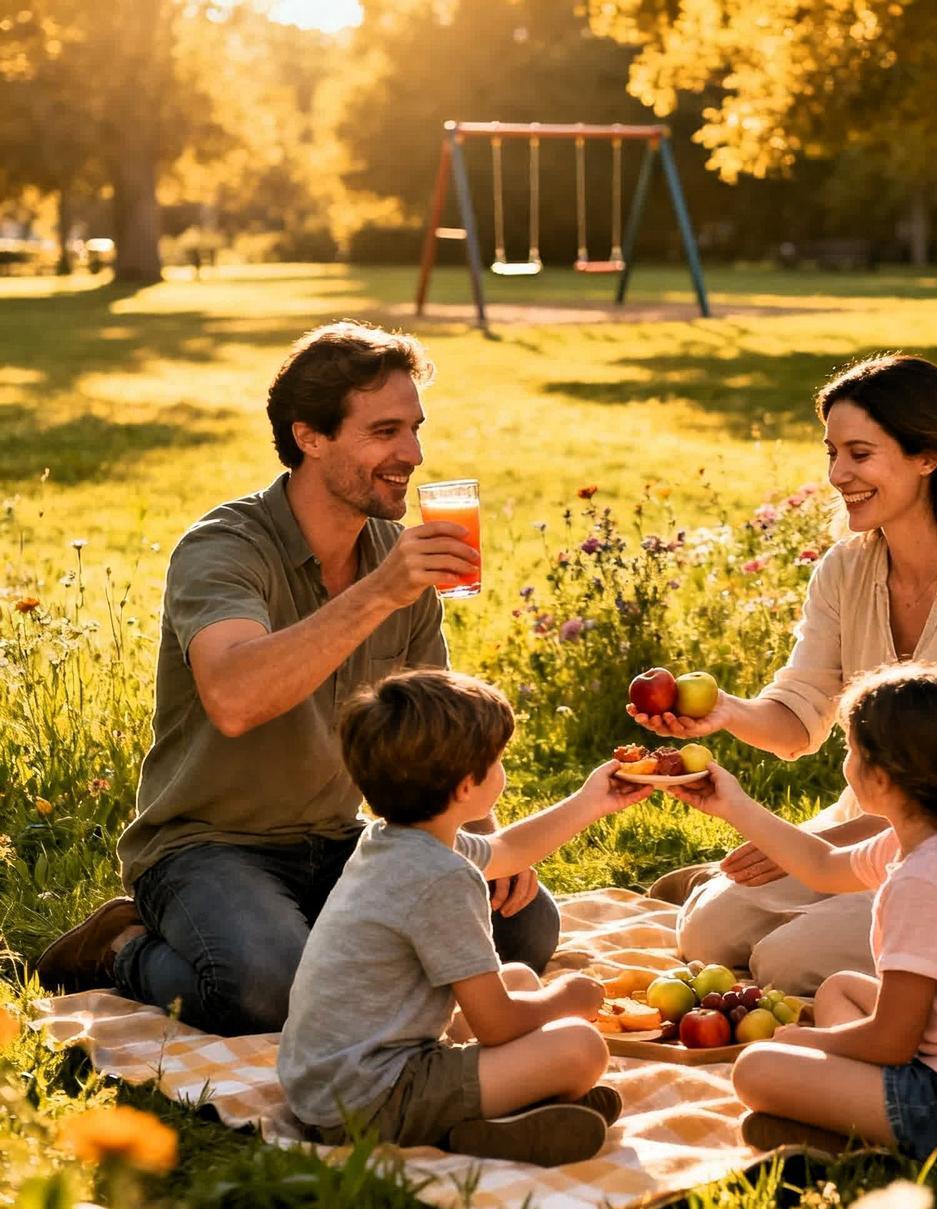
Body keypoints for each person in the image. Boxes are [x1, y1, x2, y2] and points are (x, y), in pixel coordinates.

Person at [35, 322, 560, 1033]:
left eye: (414, 428)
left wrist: (482, 848)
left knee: (520, 931)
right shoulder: (225, 548)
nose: (412, 453)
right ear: (310, 437)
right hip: (206, 846)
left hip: (341, 838)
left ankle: (329, 949)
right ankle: (121, 948)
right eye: (385, 432)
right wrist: (379, 591)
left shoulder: (398, 558)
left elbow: (442, 736)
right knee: (269, 990)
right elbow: (234, 698)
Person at [637, 354, 937, 994]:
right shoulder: (846, 569)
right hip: (872, 814)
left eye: (859, 454)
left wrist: (805, 849)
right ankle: (734, 890)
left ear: (927, 455)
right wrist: (726, 713)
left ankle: (804, 910)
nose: (836, 475)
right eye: (832, 453)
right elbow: (798, 723)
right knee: (709, 932)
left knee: (787, 963)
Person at [670, 665, 937, 1159]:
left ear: (879, 778)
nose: (847, 762)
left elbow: (891, 1042)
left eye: (851, 752)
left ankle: (865, 1139)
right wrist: (732, 804)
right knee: (839, 986)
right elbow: (819, 865)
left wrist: (809, 1042)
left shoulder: (925, 882)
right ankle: (844, 1126)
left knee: (757, 1066)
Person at [280, 669, 651, 1165]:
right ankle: (473, 1121)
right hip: (369, 1101)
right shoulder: (442, 878)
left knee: (516, 975)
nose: (503, 769)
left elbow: (506, 849)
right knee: (581, 1047)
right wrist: (567, 997)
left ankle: (506, 1123)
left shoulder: (391, 839)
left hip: (328, 1081)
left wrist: (591, 801)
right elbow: (495, 1026)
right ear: (465, 787)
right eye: (496, 762)